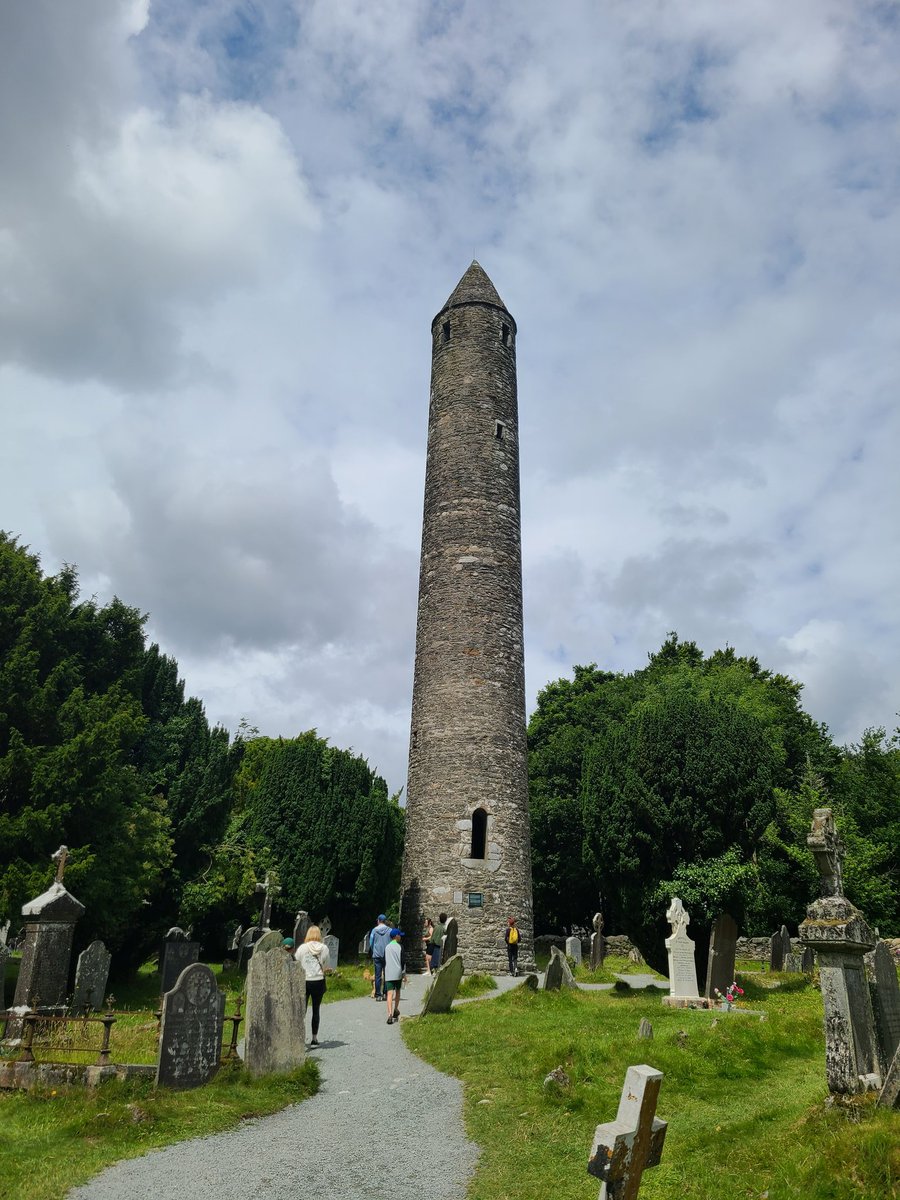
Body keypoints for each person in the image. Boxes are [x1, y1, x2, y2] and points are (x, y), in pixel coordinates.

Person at [295, 925, 330, 1046]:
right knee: (316, 1010)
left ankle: (298, 1037)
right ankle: (314, 1038)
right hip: (318, 979)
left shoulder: (302, 948)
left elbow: (296, 961)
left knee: (302, 1010)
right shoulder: (324, 948)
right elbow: (325, 962)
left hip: (305, 980)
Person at [384, 928, 406, 1024]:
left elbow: (384, 960)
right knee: (397, 991)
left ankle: (389, 1015)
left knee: (389, 994)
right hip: (398, 973)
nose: (400, 936)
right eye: (400, 935)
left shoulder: (387, 947)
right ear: (396, 936)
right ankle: (396, 1009)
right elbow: (403, 961)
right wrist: (404, 974)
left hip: (389, 972)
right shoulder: (400, 947)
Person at [370, 913, 392, 1000]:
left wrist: (373, 950)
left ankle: (378, 994)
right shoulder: (390, 930)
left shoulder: (374, 930)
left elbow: (371, 942)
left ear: (379, 921)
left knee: (378, 975)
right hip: (387, 954)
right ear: (385, 921)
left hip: (377, 955)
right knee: (387, 975)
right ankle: (386, 993)